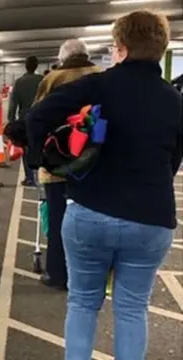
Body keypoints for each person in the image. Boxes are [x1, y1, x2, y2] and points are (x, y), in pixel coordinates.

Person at [25, 10, 179, 359]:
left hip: (89, 215)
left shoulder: (96, 86)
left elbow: (36, 117)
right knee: (132, 309)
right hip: (150, 219)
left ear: (121, 49)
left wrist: (43, 162)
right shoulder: (174, 100)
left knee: (81, 303)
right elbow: (174, 159)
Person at [32, 39, 103, 291]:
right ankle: (93, 274)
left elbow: (37, 117)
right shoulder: (103, 76)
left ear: (62, 59)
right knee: (96, 219)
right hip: (97, 161)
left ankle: (58, 273)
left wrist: (36, 157)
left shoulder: (52, 79)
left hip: (60, 161)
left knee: (59, 218)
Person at [8, 56, 44, 186]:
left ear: (25, 66)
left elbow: (13, 104)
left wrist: (11, 120)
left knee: (26, 148)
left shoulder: (19, 82)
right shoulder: (42, 80)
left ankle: (29, 177)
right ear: (36, 66)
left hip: (25, 119)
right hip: (41, 118)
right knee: (41, 147)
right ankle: (42, 175)